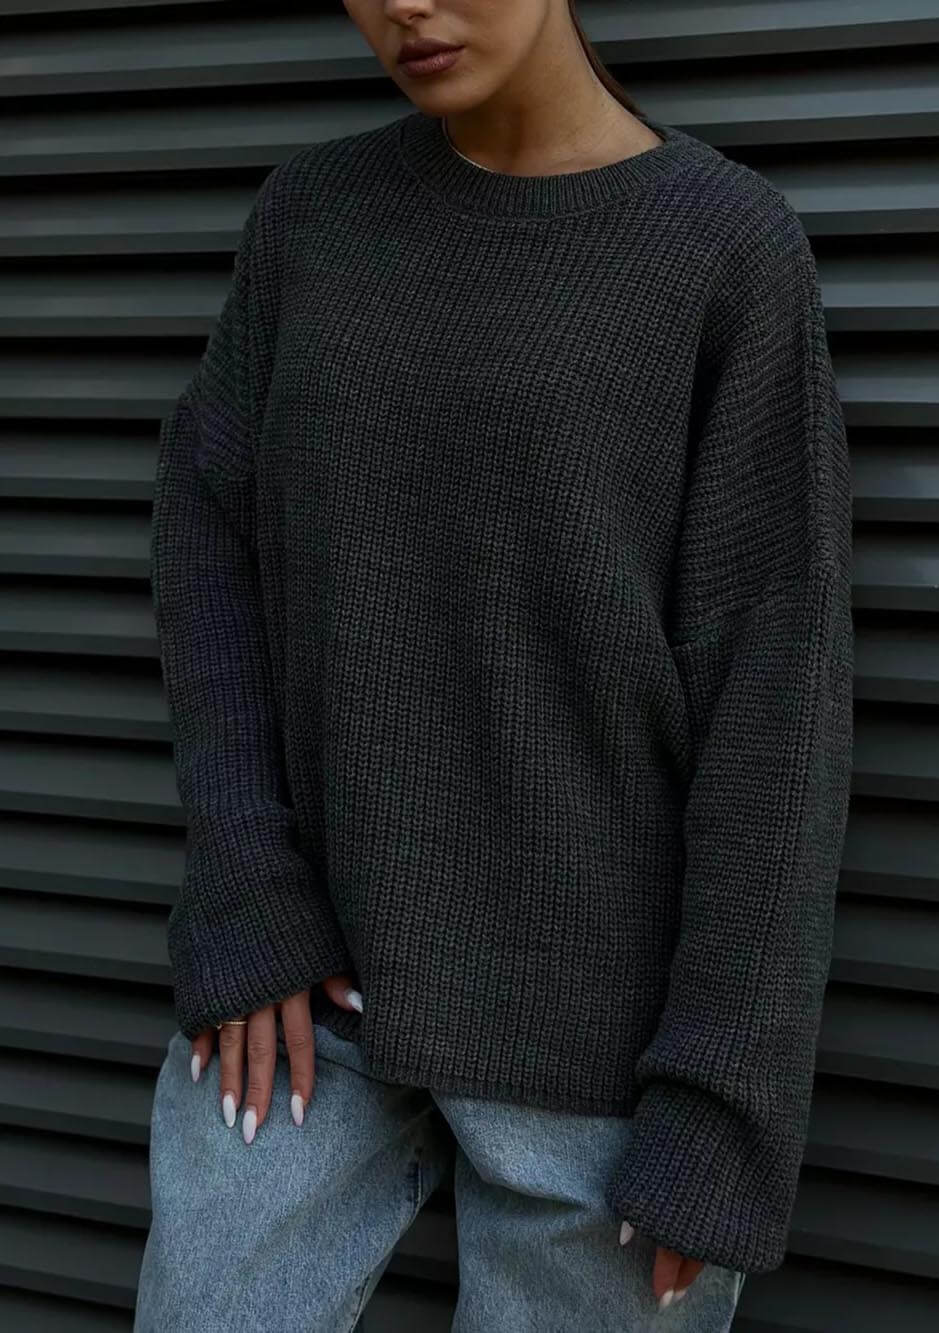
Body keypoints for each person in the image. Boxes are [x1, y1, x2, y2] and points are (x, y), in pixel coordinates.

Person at [133, 1, 854, 1330]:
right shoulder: (313, 218)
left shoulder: (723, 248)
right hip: (311, 992)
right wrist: (243, 880)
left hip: (601, 1046)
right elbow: (207, 530)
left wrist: (723, 1093)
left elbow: (778, 699)